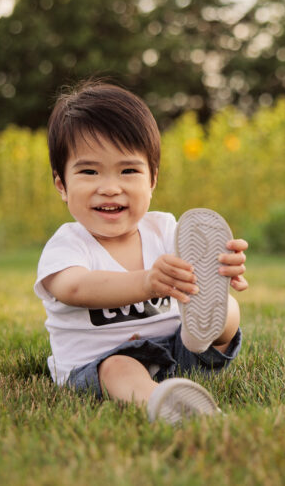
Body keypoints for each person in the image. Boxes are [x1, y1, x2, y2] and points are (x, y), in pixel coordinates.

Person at [34, 79, 248, 423]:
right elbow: (73, 288)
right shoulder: (68, 243)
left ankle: (200, 334)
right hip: (101, 360)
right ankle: (167, 405)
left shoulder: (165, 230)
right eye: (89, 171)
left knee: (229, 313)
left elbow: (199, 267)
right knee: (121, 368)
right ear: (62, 185)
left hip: (176, 349)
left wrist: (221, 268)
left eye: (128, 170)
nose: (110, 188)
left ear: (151, 180)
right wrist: (147, 282)